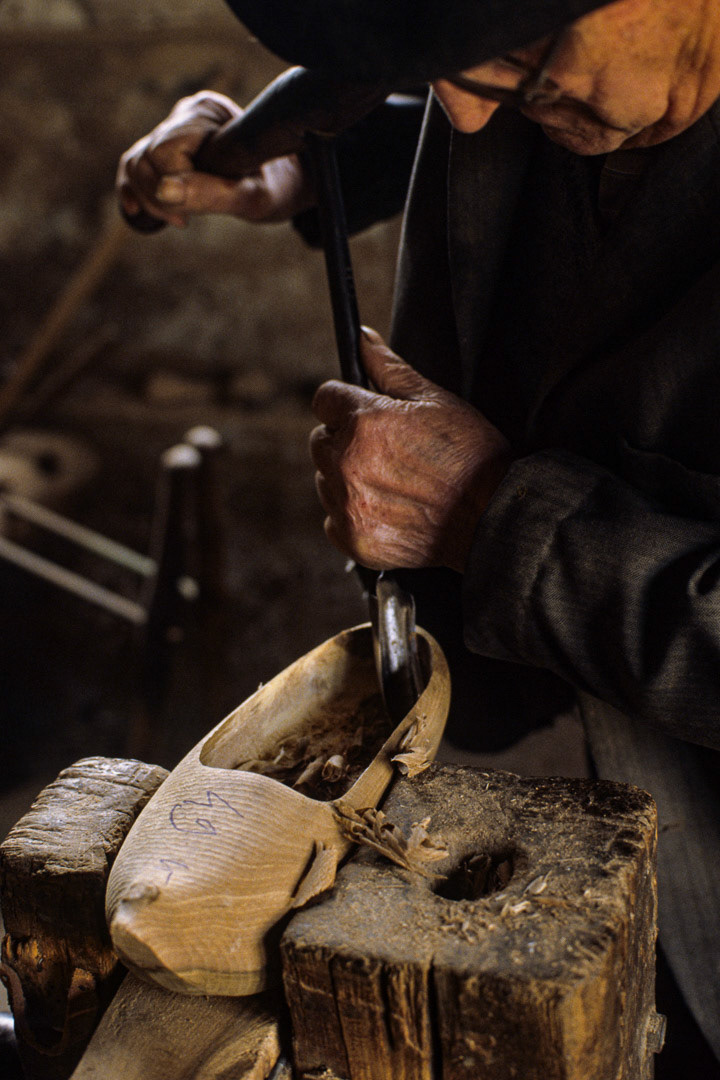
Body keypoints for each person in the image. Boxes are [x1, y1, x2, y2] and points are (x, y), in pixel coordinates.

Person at [117, 0, 720, 1071]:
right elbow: (457, 102)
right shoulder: (560, 79)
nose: (471, 117)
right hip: (633, 805)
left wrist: (495, 517)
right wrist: (290, 164)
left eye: (525, 59)